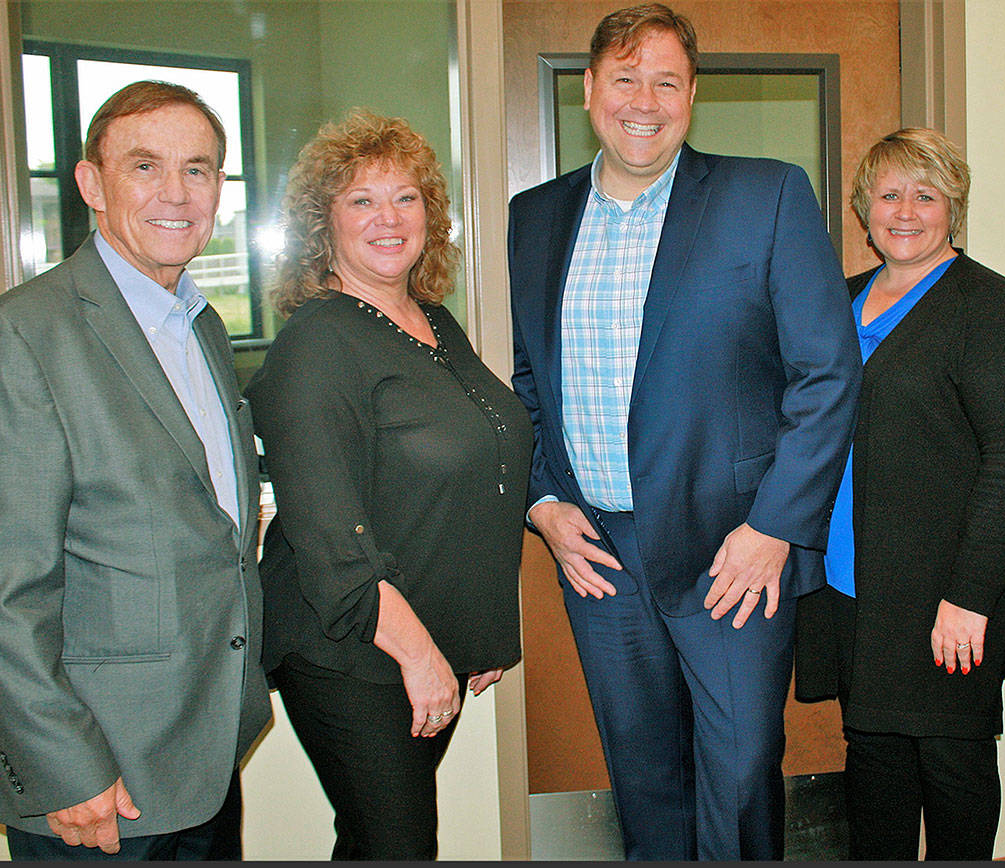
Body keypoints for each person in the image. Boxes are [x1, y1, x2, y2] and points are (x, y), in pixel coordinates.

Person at [509, 3, 860, 860]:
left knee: (740, 775)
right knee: (644, 778)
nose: (645, 99)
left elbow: (828, 374)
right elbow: (528, 381)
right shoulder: (535, 217)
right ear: (590, 90)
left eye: (667, 80)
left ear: (693, 95)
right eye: (625, 78)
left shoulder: (764, 194)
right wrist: (544, 503)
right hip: (598, 556)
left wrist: (775, 527)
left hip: (730, 551)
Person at [244, 109, 531, 860]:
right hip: (351, 648)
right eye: (361, 200)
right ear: (322, 226)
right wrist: (419, 654)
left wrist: (482, 629)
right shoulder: (318, 342)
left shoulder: (431, 320)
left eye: (405, 197)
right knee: (398, 847)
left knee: (378, 845)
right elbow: (328, 530)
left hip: (428, 637)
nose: (388, 218)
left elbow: (485, 466)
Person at [0, 81, 271, 861]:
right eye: (145, 166)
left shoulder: (201, 325)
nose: (175, 194)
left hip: (206, 753)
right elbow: (10, 588)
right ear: (91, 184)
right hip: (99, 781)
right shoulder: (27, 335)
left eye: (199, 170)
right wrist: (64, 768)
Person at [793, 128, 1005, 860]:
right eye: (889, 194)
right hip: (850, 590)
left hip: (944, 598)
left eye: (926, 194)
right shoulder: (838, 302)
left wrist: (971, 597)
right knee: (872, 763)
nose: (905, 211)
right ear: (863, 208)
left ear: (953, 208)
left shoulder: (986, 307)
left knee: (952, 767)